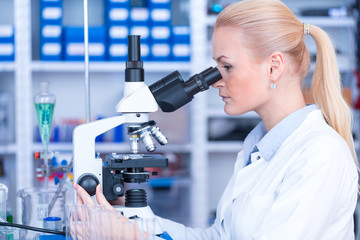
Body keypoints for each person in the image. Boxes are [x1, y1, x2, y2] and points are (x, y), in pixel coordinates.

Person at [74, 0, 359, 239]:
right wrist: (134, 223)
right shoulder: (258, 150)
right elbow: (218, 238)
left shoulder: (320, 154)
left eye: (227, 66)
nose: (215, 81)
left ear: (274, 67)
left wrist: (131, 237)